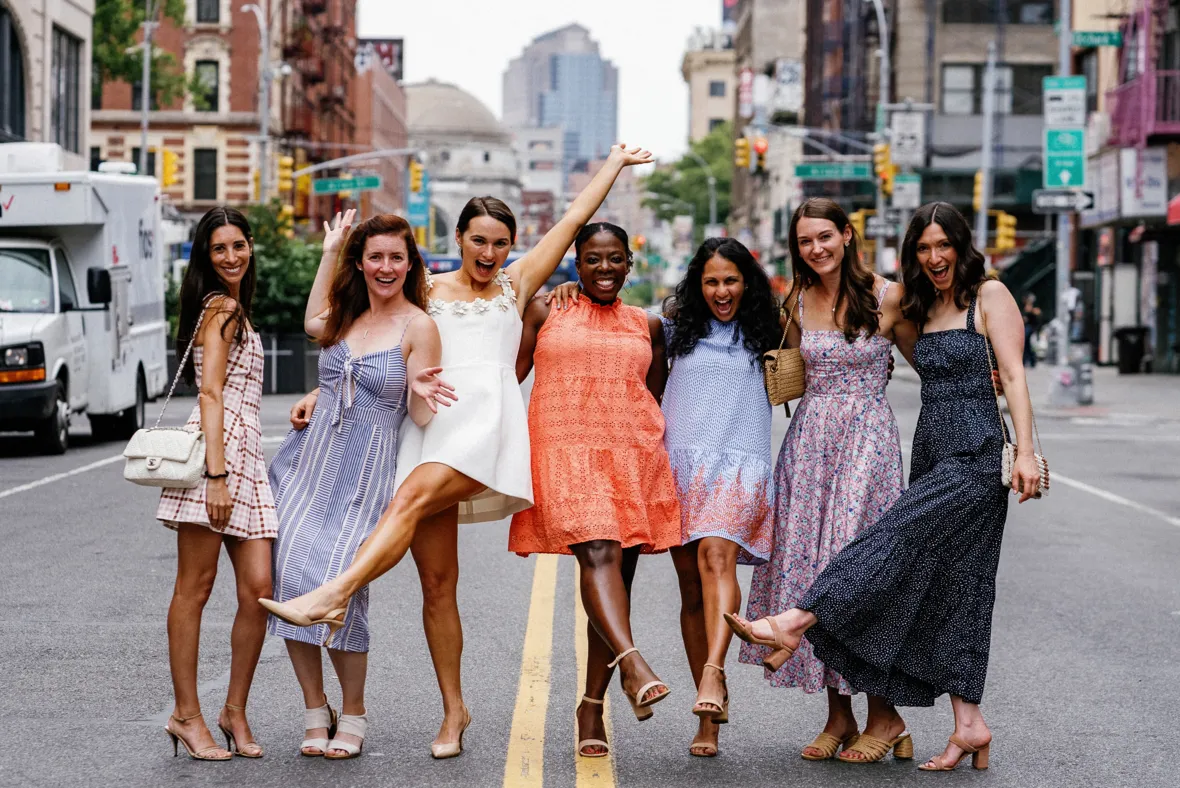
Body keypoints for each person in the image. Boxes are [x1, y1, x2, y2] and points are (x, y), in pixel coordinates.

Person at [263, 143, 653, 758]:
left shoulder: (519, 283)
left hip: (487, 429)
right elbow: (377, 342)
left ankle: (333, 593)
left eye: (501, 243)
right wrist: (323, 386)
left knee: (413, 497)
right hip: (427, 429)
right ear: (460, 238)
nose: (490, 254)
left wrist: (612, 165)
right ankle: (455, 712)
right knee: (438, 584)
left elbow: (574, 218)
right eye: (479, 241)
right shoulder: (428, 290)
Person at [726, 201, 1042, 772]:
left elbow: (984, 368)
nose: (934, 256)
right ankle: (918, 721)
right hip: (853, 447)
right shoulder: (820, 300)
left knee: (874, 557)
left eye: (943, 245)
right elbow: (784, 362)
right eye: (923, 248)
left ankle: (819, 649)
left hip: (918, 448)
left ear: (848, 236)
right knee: (930, 582)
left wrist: (1025, 448)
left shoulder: (919, 297)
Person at [739, 197, 919, 763]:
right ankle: (838, 717)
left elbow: (930, 361)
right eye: (804, 241)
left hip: (867, 439)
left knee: (859, 571)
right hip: (809, 445)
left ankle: (884, 714)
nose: (815, 249)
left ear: (847, 235)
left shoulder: (888, 296)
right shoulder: (793, 301)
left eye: (825, 237)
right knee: (811, 569)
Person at [267, 213, 453, 760]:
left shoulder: (419, 326)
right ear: (361, 263)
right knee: (292, 576)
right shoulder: (346, 314)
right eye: (375, 257)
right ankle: (313, 707)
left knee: (343, 589)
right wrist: (329, 251)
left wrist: (420, 384)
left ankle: (353, 711)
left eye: (397, 257)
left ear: (410, 263)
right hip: (308, 462)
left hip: (365, 474)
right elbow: (311, 328)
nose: (386, 267)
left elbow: (420, 417)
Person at [511, 222, 680, 758]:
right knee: (600, 553)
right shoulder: (545, 311)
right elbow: (505, 374)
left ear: (629, 263)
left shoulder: (647, 324)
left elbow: (654, 394)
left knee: (613, 586)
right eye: (592, 260)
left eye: (614, 259)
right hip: (565, 452)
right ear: (576, 265)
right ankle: (632, 664)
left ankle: (591, 707)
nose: (604, 269)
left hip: (630, 457)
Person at [156, 207, 277, 761]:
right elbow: (209, 393)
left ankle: (233, 709)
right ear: (206, 258)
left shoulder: (237, 309)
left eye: (238, 246)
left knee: (259, 590)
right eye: (218, 249)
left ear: (250, 246)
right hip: (219, 458)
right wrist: (217, 475)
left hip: (245, 456)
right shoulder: (221, 307)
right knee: (195, 588)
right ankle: (186, 715)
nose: (231, 256)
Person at [660, 238, 781, 757]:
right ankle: (708, 712)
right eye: (711, 281)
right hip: (680, 464)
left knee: (716, 559)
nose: (721, 291)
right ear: (697, 284)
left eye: (730, 280)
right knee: (691, 589)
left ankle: (714, 672)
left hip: (738, 461)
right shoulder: (671, 324)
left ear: (747, 281)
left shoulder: (770, 329)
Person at [1021, 293, 1041, 368]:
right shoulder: (1026, 307)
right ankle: (1028, 361)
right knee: (1027, 345)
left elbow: (1037, 313)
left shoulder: (1033, 307)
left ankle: (1031, 361)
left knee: (1028, 345)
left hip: (1030, 328)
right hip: (1027, 327)